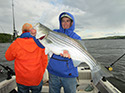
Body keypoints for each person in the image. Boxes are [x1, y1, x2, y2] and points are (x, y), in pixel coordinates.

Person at [5, 23, 48, 93]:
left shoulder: (16, 43)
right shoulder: (40, 43)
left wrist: (13, 45)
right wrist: (40, 73)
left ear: (22, 31)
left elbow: (8, 57)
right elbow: (45, 61)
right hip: (36, 78)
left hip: (22, 79)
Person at [47, 12, 81, 93]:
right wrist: (34, 36)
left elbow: (79, 55)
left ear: (71, 23)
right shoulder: (54, 32)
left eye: (67, 21)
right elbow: (41, 44)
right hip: (53, 72)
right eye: (63, 21)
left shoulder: (76, 37)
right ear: (60, 22)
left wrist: (71, 55)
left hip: (69, 74)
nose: (65, 23)